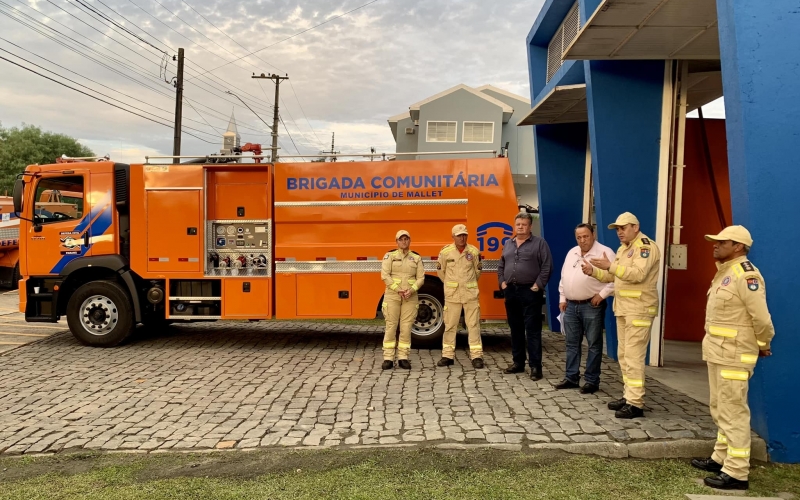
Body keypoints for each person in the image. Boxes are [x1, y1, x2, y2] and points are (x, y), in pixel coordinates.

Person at [691, 226, 775, 491]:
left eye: (722, 242)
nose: (715, 245)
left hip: (735, 354)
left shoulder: (746, 275)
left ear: (738, 246)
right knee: (719, 406)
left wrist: (763, 343)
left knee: (733, 411)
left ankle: (737, 472)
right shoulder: (725, 272)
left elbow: (761, 318)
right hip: (719, 352)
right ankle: (721, 457)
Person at [581, 212, 660, 419]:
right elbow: (613, 275)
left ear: (635, 226)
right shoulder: (624, 249)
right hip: (624, 308)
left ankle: (636, 403)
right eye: (617, 229)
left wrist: (610, 266)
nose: (619, 232)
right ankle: (629, 396)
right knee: (624, 356)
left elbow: (637, 274)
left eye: (623, 228)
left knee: (634, 357)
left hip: (639, 309)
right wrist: (594, 271)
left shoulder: (645, 247)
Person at [555, 223, 615, 394]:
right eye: (579, 237)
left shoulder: (605, 252)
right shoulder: (572, 252)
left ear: (593, 234)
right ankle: (571, 377)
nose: (582, 240)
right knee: (571, 343)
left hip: (592, 305)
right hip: (572, 305)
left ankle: (591, 380)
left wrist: (602, 295)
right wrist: (562, 296)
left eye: (586, 236)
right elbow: (564, 276)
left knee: (593, 344)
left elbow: (615, 278)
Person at [498, 212, 553, 380]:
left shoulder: (539, 243)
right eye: (518, 224)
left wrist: (537, 286)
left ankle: (536, 367)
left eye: (524, 224)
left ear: (530, 226)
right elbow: (501, 266)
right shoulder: (508, 243)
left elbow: (547, 266)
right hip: (511, 291)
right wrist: (502, 283)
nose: (520, 227)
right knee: (515, 329)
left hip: (530, 292)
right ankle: (518, 363)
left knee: (533, 331)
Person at [436, 224, 484, 369]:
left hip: (470, 294)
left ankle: (476, 356)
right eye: (459, 235)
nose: (462, 238)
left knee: (473, 325)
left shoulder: (474, 252)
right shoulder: (446, 252)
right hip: (453, 295)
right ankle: (448, 356)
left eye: (464, 235)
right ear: (453, 237)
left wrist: (467, 284)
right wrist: (452, 285)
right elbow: (441, 272)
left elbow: (477, 272)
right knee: (450, 325)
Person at [380, 229, 425, 370]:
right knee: (391, 326)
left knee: (406, 328)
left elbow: (421, 278)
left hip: (409, 297)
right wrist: (397, 289)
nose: (404, 241)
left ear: (409, 241)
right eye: (401, 239)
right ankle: (388, 358)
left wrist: (411, 290)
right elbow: (385, 275)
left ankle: (403, 357)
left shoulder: (416, 258)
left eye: (406, 239)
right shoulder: (389, 256)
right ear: (397, 242)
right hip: (393, 296)